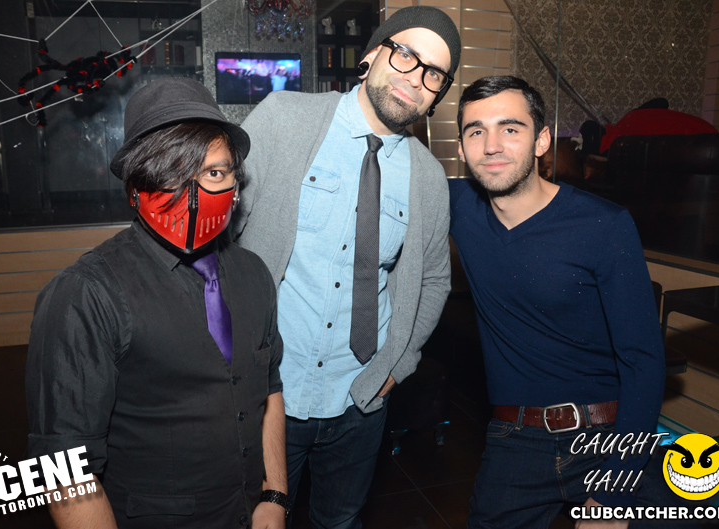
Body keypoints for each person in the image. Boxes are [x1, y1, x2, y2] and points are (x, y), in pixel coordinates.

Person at [233, 6, 461, 528]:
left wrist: (396, 368)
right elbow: (222, 232)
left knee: (341, 522)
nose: (416, 78)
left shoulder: (429, 178)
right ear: (372, 54)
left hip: (360, 399)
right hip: (268, 394)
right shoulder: (284, 117)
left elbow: (433, 280)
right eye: (406, 55)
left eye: (434, 74)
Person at [26, 78, 288, 529]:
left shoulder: (255, 274)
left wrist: (275, 494)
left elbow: (270, 390)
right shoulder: (85, 294)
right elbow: (64, 469)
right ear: (135, 185)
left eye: (214, 173)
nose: (194, 197)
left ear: (236, 183)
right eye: (172, 173)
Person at [449, 75, 671, 528]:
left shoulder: (604, 225)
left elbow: (644, 360)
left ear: (542, 140)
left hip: (608, 436)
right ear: (461, 149)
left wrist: (615, 487)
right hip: (515, 439)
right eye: (476, 131)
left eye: (510, 128)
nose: (491, 145)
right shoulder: (455, 206)